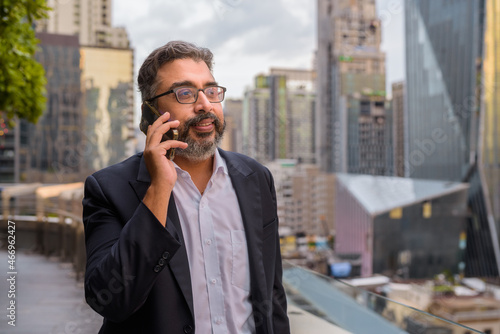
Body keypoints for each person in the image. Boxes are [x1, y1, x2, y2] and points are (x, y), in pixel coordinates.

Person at [82, 40, 290, 334]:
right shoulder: (108, 189)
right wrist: (158, 190)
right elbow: (110, 300)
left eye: (211, 90)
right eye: (185, 93)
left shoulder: (255, 178)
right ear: (151, 112)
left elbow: (272, 294)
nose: (205, 104)